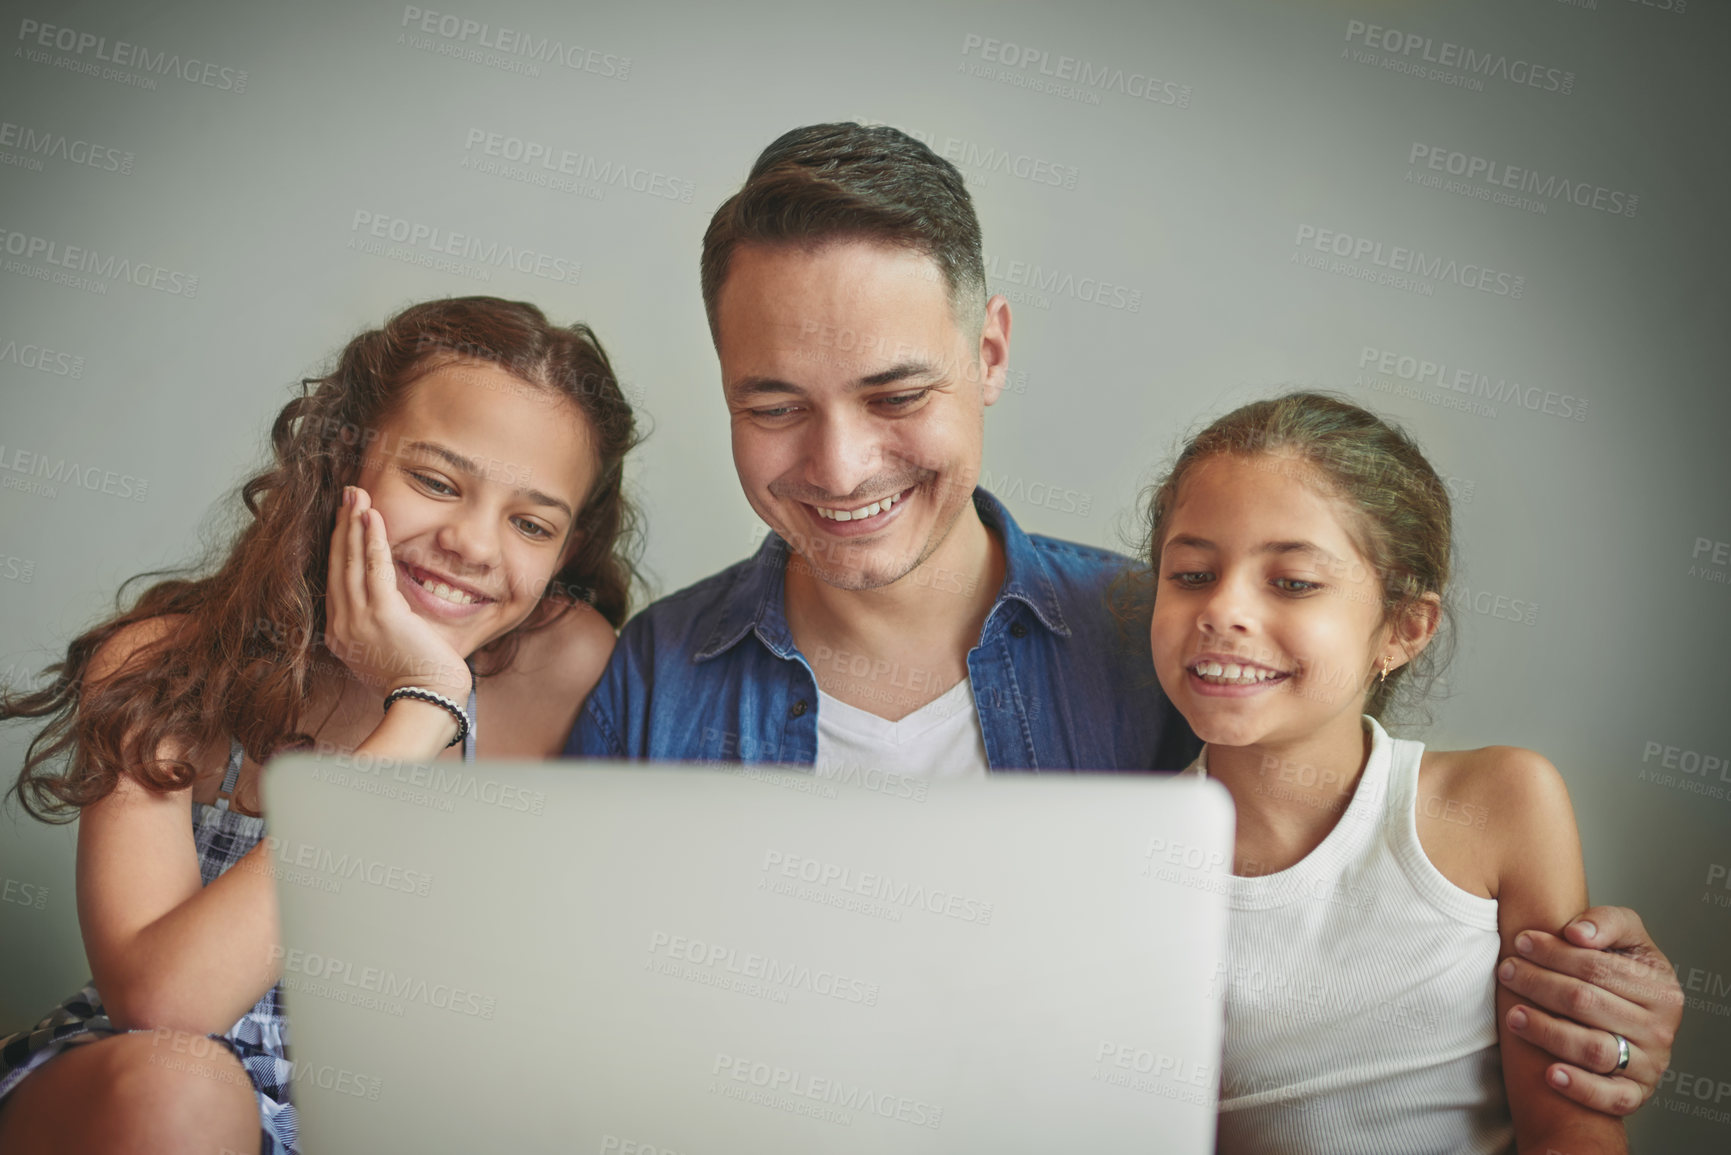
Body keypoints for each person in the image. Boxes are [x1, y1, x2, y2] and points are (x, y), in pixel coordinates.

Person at [565, 122, 1681, 1122]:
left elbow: (1365, 905)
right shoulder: (650, 679)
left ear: (990, 353)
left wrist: (1591, 1004)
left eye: (897, 396)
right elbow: (572, 1026)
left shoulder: (1168, 643)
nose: (839, 464)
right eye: (772, 406)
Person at [0, 297, 639, 1155]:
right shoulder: (162, 669)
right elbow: (165, 1007)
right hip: (149, 1097)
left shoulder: (564, 667)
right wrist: (422, 708)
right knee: (181, 1088)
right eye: (437, 482)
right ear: (344, 457)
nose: (473, 544)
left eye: (530, 523)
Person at [1145, 391, 1631, 1152]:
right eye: (1190, 573)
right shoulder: (1126, 857)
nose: (1222, 609)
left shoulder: (1502, 801)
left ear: (1403, 629)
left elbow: (1572, 1124)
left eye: (1293, 581)